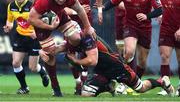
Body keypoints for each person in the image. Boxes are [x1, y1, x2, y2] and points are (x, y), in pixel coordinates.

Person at [39, 34, 175, 97]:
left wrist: (75, 60)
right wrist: (43, 51)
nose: (67, 38)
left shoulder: (88, 39)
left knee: (140, 88)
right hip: (102, 71)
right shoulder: (71, 40)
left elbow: (91, 61)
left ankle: (162, 81)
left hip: (116, 66)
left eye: (69, 34)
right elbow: (57, 49)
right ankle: (109, 86)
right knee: (86, 94)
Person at [28, 0, 96, 96]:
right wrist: (49, 27)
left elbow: (80, 10)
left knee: (76, 38)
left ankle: (66, 52)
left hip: (59, 16)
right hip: (41, 25)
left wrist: (88, 27)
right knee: (49, 55)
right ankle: (56, 88)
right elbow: (31, 19)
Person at [104, 0, 163, 79]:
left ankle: (136, 81)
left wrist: (147, 16)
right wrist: (101, 9)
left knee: (142, 61)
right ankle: (124, 78)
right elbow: (112, 2)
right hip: (130, 25)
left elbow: (160, 10)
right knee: (129, 52)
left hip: (145, 28)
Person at [64, 0, 103, 94]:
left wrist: (99, 9)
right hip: (69, 25)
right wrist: (77, 11)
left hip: (86, 24)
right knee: (70, 55)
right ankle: (77, 82)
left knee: (87, 53)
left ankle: (84, 82)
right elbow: (61, 8)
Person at [111, 0, 155, 76]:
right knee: (125, 50)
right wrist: (133, 7)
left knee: (142, 58)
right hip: (123, 19)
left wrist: (158, 13)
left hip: (142, 21)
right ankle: (124, 78)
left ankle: (134, 78)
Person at [3, 0, 49, 94]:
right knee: (15, 63)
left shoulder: (32, 4)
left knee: (32, 68)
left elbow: (44, 19)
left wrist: (36, 30)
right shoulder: (11, 6)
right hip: (20, 36)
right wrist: (8, 26)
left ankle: (42, 71)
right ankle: (24, 87)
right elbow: (10, 20)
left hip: (33, 38)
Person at [156, 0, 180, 96]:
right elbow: (151, 1)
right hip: (165, 30)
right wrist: (157, 13)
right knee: (164, 57)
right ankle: (166, 86)